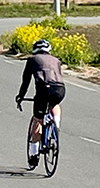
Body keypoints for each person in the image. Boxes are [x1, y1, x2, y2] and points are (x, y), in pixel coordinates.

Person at [15, 39, 65, 169]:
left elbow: (26, 81)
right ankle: (56, 124)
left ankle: (34, 155)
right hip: (60, 89)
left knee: (38, 120)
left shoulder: (32, 59)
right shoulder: (56, 60)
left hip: (43, 89)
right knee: (55, 104)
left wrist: (21, 96)